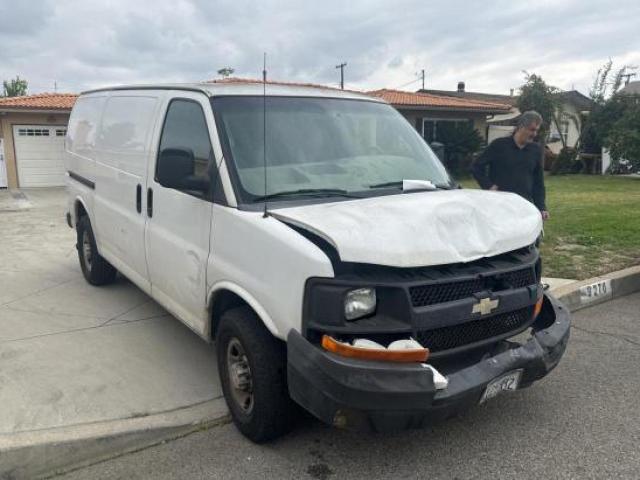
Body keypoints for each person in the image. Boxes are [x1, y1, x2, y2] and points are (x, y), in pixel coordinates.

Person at [472, 111, 549, 220]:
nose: (534, 134)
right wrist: (488, 186)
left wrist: (541, 207)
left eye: (536, 130)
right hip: (500, 206)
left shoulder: (535, 150)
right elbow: (476, 167)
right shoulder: (499, 145)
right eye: (532, 130)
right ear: (521, 127)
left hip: (525, 206)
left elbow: (538, 182)